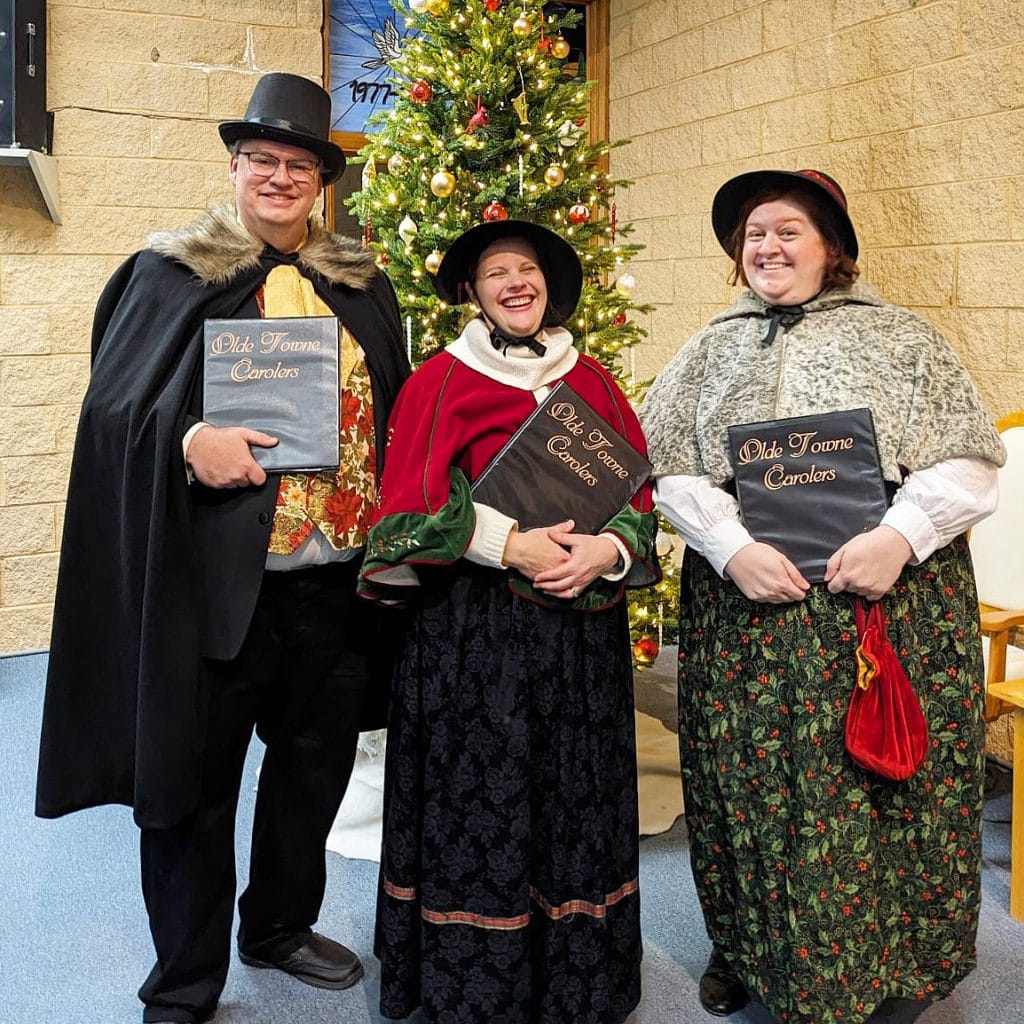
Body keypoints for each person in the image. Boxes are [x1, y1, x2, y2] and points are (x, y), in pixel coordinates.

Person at [35, 73, 409, 1024]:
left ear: (323, 181)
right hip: (212, 587)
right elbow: (112, 413)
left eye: (301, 164)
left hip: (336, 583)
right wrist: (190, 441)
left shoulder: (364, 289)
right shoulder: (170, 275)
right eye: (263, 160)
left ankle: (278, 925)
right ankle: (186, 977)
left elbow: (404, 415)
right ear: (236, 167)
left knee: (311, 770)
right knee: (192, 787)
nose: (280, 178)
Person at [640, 168, 1006, 1024]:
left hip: (885, 608)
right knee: (752, 788)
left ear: (831, 246)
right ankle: (749, 947)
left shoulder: (903, 340)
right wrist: (733, 550)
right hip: (752, 615)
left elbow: (968, 464)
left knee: (885, 790)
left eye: (788, 230)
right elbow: (668, 469)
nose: (767, 246)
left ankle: (899, 964)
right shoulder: (709, 348)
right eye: (754, 234)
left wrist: (898, 538)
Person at [358, 219, 659, 1023]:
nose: (515, 282)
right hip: (474, 637)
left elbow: (641, 498)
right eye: (497, 272)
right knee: (480, 801)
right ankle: (475, 985)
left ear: (549, 285)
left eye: (528, 269)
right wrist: (510, 545)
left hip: (579, 636)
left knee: (573, 797)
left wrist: (607, 552)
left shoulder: (592, 381)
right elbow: (403, 518)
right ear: (473, 290)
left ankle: (576, 981)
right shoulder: (439, 382)